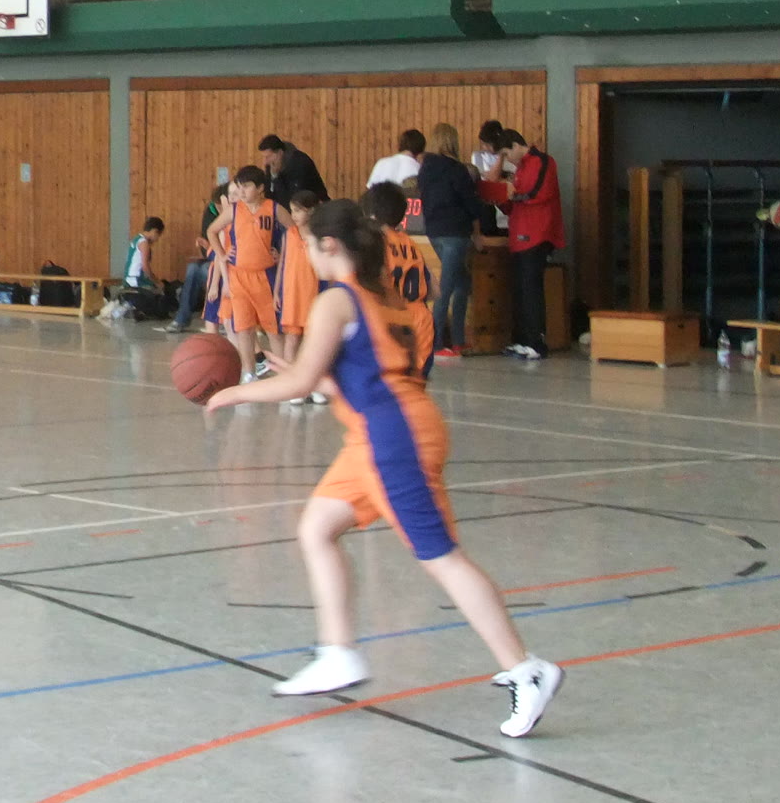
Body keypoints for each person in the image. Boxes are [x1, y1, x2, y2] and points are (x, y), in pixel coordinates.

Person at [206, 200, 564, 738]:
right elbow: (353, 378)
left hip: (392, 438)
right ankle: (337, 654)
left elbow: (302, 384)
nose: (305, 254)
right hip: (386, 429)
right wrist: (306, 374)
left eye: (308, 245)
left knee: (442, 558)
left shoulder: (337, 300)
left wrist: (233, 391)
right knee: (317, 528)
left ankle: (525, 668)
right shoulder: (386, 297)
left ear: (329, 246)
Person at [493, 130, 564, 360]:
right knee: (519, 290)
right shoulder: (520, 169)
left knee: (531, 289)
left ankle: (535, 342)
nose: (507, 160)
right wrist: (499, 198)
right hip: (518, 236)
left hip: (537, 235)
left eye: (506, 154)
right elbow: (513, 206)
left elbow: (539, 193)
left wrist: (512, 194)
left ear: (516, 145)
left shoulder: (543, 161)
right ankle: (521, 340)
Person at [416, 123, 481, 356]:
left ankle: (458, 339)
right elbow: (471, 203)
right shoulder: (457, 170)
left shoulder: (425, 170)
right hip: (456, 232)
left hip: (434, 231)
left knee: (462, 283)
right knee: (446, 287)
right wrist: (478, 230)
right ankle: (435, 344)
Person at [213, 166, 281, 383]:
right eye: (239, 187)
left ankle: (283, 374)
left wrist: (282, 253)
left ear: (260, 188)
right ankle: (249, 372)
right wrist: (222, 255)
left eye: (246, 187)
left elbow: (293, 231)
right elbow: (211, 231)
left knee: (273, 329)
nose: (241, 192)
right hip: (239, 277)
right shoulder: (234, 210)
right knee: (244, 328)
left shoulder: (274, 208)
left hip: (265, 276)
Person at [366, 181, 436, 379]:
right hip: (421, 322)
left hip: (394, 320)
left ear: (372, 215)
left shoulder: (375, 243)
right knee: (415, 387)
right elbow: (434, 290)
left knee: (391, 387)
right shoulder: (410, 243)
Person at [275, 189, 327, 404]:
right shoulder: (289, 234)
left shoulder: (320, 236)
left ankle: (313, 385)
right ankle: (293, 386)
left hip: (313, 293)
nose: (293, 215)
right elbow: (282, 263)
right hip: (292, 293)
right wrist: (277, 291)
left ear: (311, 211)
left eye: (298, 210)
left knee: (312, 341)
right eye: (292, 210)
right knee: (292, 339)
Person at [161, 185, 227, 335]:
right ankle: (181, 319)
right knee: (193, 268)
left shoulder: (233, 222)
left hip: (228, 267)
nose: (218, 211)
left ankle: (222, 318)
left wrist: (210, 248)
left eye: (220, 207)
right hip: (216, 262)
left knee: (205, 270)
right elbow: (215, 251)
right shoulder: (216, 219)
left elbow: (224, 254)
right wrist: (207, 246)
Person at [258, 134, 327, 211]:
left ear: (280, 153)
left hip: (314, 209)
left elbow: (293, 199)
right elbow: (269, 196)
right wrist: (274, 177)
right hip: (291, 210)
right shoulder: (271, 165)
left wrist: (276, 177)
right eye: (263, 157)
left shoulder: (300, 163)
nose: (265, 162)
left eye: (268, 157)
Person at [123, 216, 164, 300]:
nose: (157, 239)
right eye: (158, 235)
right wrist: (157, 282)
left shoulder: (136, 239)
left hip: (128, 279)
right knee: (160, 292)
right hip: (136, 280)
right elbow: (145, 267)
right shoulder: (144, 243)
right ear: (155, 231)